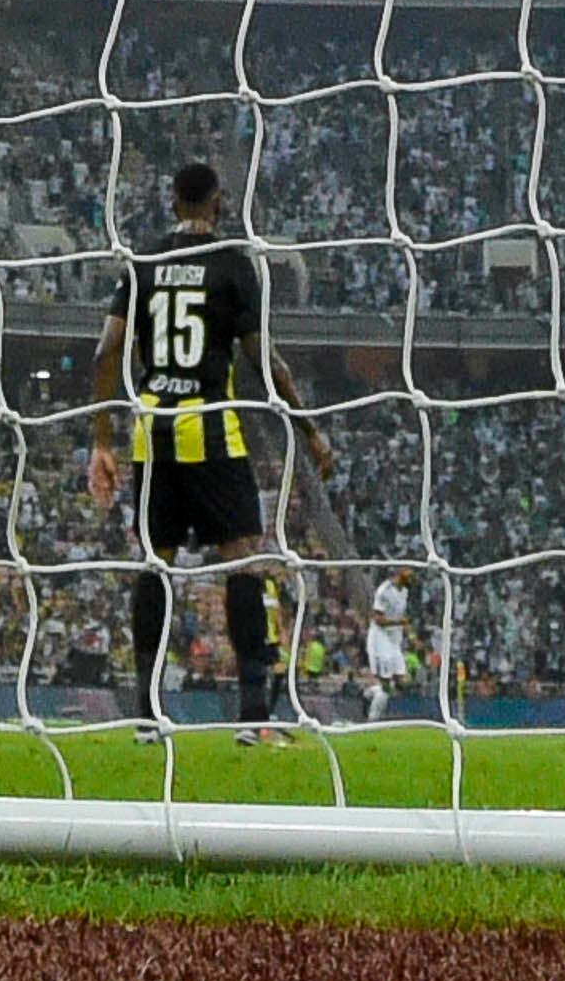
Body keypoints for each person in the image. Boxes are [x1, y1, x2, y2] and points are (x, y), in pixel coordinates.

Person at [85, 158, 336, 745]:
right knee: (243, 558)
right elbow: (264, 359)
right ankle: (252, 716)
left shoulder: (144, 262)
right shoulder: (231, 264)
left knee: (155, 565)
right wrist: (309, 429)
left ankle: (147, 715)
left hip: (152, 430)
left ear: (173, 203)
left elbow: (106, 351)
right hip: (211, 427)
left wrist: (101, 441)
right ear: (218, 204)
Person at [359, 573, 414, 725]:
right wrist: (399, 622)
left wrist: (407, 631)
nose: (413, 576)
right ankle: (373, 721)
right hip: (380, 639)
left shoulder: (405, 591)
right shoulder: (384, 591)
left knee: (402, 682)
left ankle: (369, 694)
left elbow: (400, 614)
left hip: (394, 640)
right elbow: (378, 620)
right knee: (386, 684)